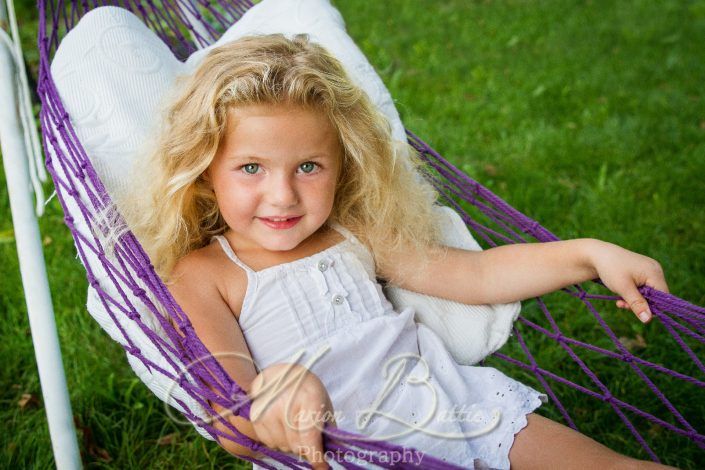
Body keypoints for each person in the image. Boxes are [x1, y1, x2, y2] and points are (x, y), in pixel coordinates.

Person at [122, 33, 673, 469]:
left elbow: (476, 276)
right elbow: (232, 421)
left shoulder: (351, 232)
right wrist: (277, 387)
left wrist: (589, 254)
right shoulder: (204, 274)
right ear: (203, 171)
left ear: (343, 164)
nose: (283, 195)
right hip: (346, 453)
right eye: (250, 169)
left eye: (309, 167)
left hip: (458, 407)